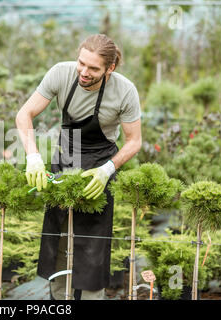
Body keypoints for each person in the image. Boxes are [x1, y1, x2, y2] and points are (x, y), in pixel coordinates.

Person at [16, 34, 142, 300]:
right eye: (81, 63)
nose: (84, 72)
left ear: (110, 68)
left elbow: (134, 142)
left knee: (93, 244)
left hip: (100, 163)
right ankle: (59, 299)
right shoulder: (60, 74)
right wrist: (33, 157)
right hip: (65, 157)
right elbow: (24, 114)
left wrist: (108, 169)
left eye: (93, 68)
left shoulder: (124, 91)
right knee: (58, 236)